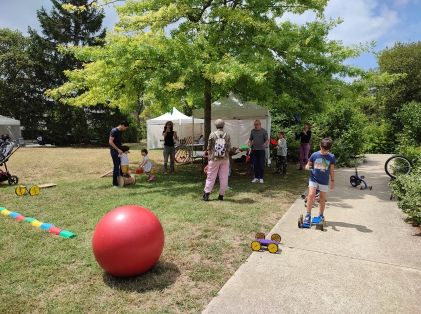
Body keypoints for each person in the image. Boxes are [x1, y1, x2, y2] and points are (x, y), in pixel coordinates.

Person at [304, 138, 335, 225]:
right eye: (323, 149)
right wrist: (307, 166)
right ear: (320, 146)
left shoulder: (331, 157)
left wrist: (332, 180)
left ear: (329, 149)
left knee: (322, 198)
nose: (324, 152)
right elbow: (309, 163)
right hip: (313, 178)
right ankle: (308, 215)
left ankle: (320, 215)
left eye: (326, 150)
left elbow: (332, 170)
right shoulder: (315, 155)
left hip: (324, 181)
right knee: (311, 195)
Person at [203, 119, 231, 201]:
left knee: (211, 176)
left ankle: (206, 194)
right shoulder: (227, 135)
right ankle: (221, 195)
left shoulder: (212, 135)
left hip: (214, 158)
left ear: (216, 125)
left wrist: (209, 159)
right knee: (224, 177)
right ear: (223, 125)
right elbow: (228, 148)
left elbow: (209, 147)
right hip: (225, 158)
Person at [109, 121, 130, 187]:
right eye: (125, 128)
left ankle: (121, 181)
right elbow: (110, 141)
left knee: (121, 166)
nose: (125, 129)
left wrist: (124, 150)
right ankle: (114, 184)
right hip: (114, 152)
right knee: (116, 166)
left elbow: (118, 143)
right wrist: (117, 149)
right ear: (122, 125)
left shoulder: (120, 132)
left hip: (119, 151)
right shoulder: (114, 131)